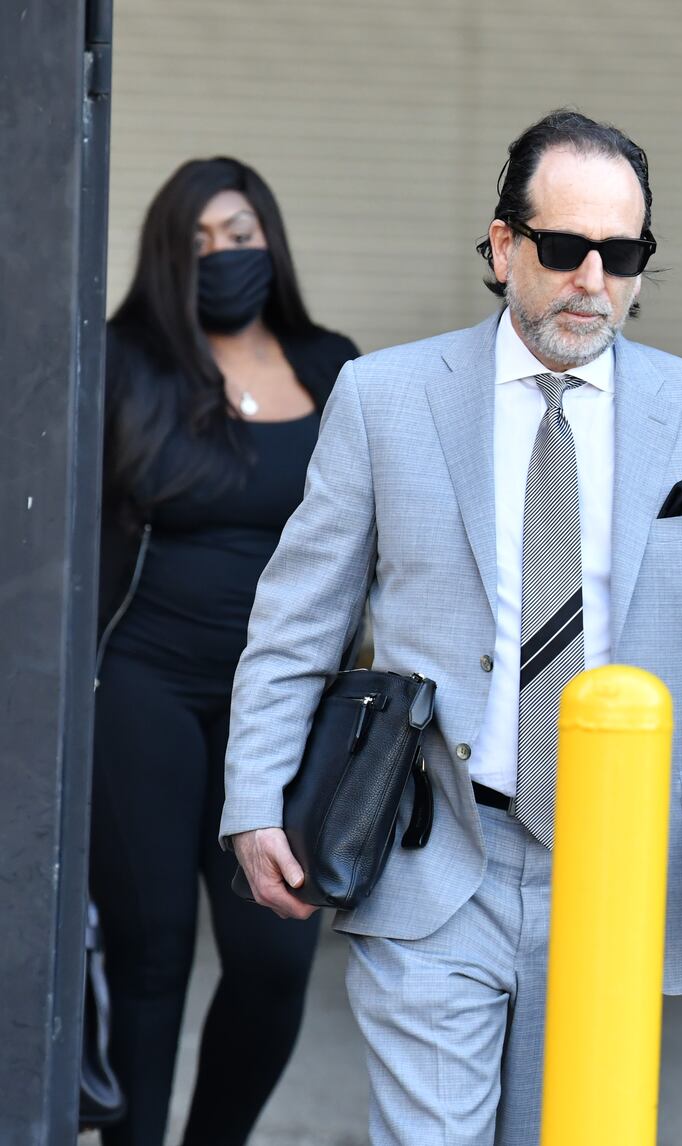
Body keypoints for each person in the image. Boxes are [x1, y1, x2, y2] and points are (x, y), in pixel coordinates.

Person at [222, 109, 682, 1145]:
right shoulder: (384, 397)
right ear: (503, 247)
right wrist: (254, 797)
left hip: (622, 860)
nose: (592, 277)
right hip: (435, 839)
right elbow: (298, 616)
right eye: (564, 247)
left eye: (621, 253)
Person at [91, 156, 358, 1146]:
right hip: (142, 685)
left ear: (270, 242)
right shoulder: (121, 364)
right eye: (197, 241)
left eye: (238, 235)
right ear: (165, 255)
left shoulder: (333, 367)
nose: (221, 257)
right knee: (149, 952)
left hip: (288, 703)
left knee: (273, 956)